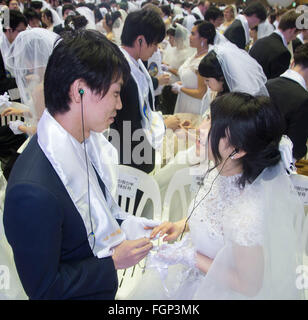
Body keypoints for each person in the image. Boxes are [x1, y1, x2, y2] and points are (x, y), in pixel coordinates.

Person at [3, 29, 157, 300]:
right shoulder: (32, 190)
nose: (119, 105)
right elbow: (44, 288)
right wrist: (112, 263)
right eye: (115, 93)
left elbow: (99, 213)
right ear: (79, 90)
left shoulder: (84, 143)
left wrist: (146, 228)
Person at [128, 92, 306, 300]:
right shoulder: (221, 173)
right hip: (193, 275)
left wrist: (190, 256)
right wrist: (182, 225)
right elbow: (214, 218)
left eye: (212, 125)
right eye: (207, 119)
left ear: (237, 151)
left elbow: (248, 285)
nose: (200, 130)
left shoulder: (247, 213)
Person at [110, 8, 166, 174]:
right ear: (140, 40)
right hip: (130, 155)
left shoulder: (136, 62)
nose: (156, 49)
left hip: (137, 143)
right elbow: (128, 126)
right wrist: (147, 160)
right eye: (154, 43)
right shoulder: (122, 73)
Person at [266, 43, 308, 161]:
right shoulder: (303, 99)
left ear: (293, 62)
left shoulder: (267, 84)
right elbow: (296, 149)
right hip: (278, 164)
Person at [172, 20, 215, 115]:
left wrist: (181, 88)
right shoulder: (195, 54)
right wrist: (182, 83)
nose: (189, 37)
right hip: (185, 99)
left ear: (203, 39)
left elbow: (201, 93)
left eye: (193, 34)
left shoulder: (204, 61)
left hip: (195, 106)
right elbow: (192, 79)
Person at [249, 9, 301, 80]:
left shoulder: (258, 42)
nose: (295, 38)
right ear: (292, 30)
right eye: (297, 34)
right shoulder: (283, 53)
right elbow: (277, 86)